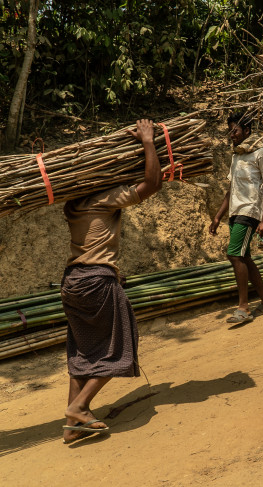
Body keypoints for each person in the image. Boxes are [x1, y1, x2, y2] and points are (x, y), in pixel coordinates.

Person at [60, 119, 163, 444]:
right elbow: (152, 184)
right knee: (122, 346)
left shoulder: (72, 204)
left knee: (85, 351)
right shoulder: (103, 199)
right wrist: (148, 141)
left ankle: (71, 425)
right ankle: (78, 407)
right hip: (98, 281)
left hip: (72, 284)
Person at [209, 111, 263, 324]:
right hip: (235, 212)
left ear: (247, 130)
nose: (232, 134)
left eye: (235, 130)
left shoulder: (261, 152)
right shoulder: (237, 155)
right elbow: (231, 190)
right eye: (230, 131)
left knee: (234, 255)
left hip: (250, 212)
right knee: (244, 257)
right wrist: (218, 217)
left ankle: (244, 308)